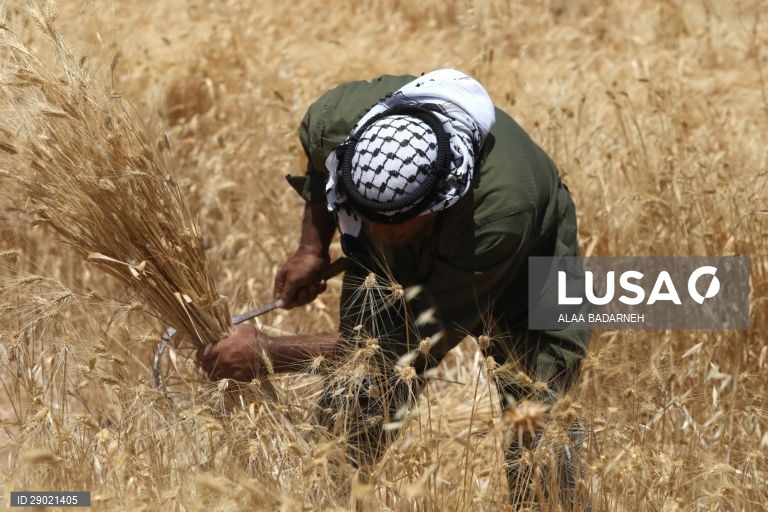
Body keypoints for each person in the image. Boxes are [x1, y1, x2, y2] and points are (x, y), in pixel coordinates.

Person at [198, 69, 589, 507]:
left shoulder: (498, 220)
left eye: (397, 229)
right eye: (367, 216)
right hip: (411, 221)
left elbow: (399, 347)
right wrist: (312, 248)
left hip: (532, 262)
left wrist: (269, 353)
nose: (380, 237)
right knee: (355, 408)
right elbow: (318, 161)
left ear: (445, 200)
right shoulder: (339, 121)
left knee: (541, 409)